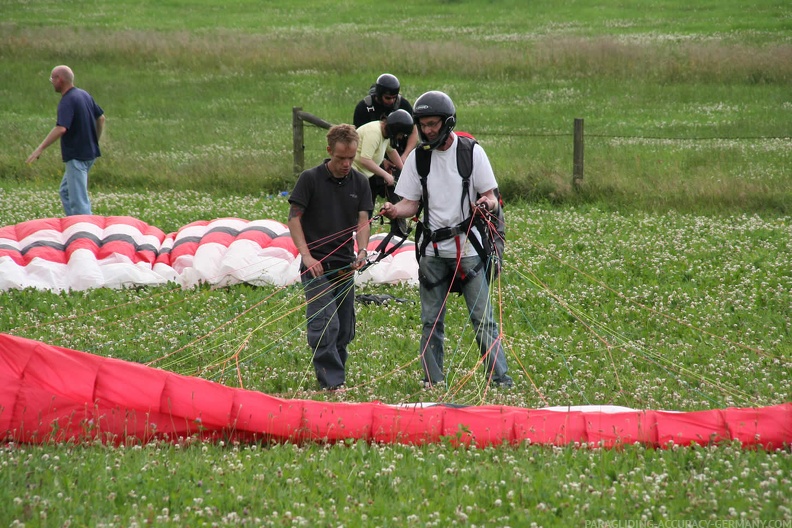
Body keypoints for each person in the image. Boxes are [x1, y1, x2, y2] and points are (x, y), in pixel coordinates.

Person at [381, 91, 513, 389]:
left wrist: (485, 204)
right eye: (422, 125)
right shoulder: (418, 158)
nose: (427, 130)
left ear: (447, 122)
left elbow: (491, 197)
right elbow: (411, 204)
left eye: (432, 124)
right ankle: (432, 380)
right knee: (431, 321)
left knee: (483, 320)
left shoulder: (471, 152)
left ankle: (500, 380)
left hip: (468, 248)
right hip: (432, 252)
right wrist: (393, 210)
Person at [288, 124, 373, 390]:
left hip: (345, 265)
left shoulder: (360, 182)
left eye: (351, 158)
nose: (346, 164)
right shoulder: (310, 179)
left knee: (345, 328)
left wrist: (361, 251)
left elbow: (363, 221)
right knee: (326, 324)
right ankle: (333, 383)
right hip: (316, 266)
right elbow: (294, 219)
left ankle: (336, 373)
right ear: (329, 152)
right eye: (340, 158)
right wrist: (307, 256)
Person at [26, 65, 105, 216]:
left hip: (77, 157)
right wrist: (95, 141)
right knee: (66, 192)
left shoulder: (67, 101)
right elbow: (100, 118)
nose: (51, 82)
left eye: (52, 79)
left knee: (79, 203)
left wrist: (40, 149)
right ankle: (73, 226)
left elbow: (61, 128)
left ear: (59, 80)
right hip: (90, 154)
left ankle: (85, 233)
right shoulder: (84, 95)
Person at [353, 73, 419, 165]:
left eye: (394, 98)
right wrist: (382, 161)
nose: (391, 101)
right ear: (379, 95)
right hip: (371, 155)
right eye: (388, 98)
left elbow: (413, 132)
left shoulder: (403, 105)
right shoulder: (363, 108)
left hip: (398, 152)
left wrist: (405, 156)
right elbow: (359, 140)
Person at [353, 109, 413, 203]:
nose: (400, 138)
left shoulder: (385, 133)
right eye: (400, 134)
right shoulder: (374, 133)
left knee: (367, 205)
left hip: (365, 174)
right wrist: (385, 175)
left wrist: (404, 171)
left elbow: (391, 151)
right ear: (395, 129)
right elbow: (365, 160)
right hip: (354, 173)